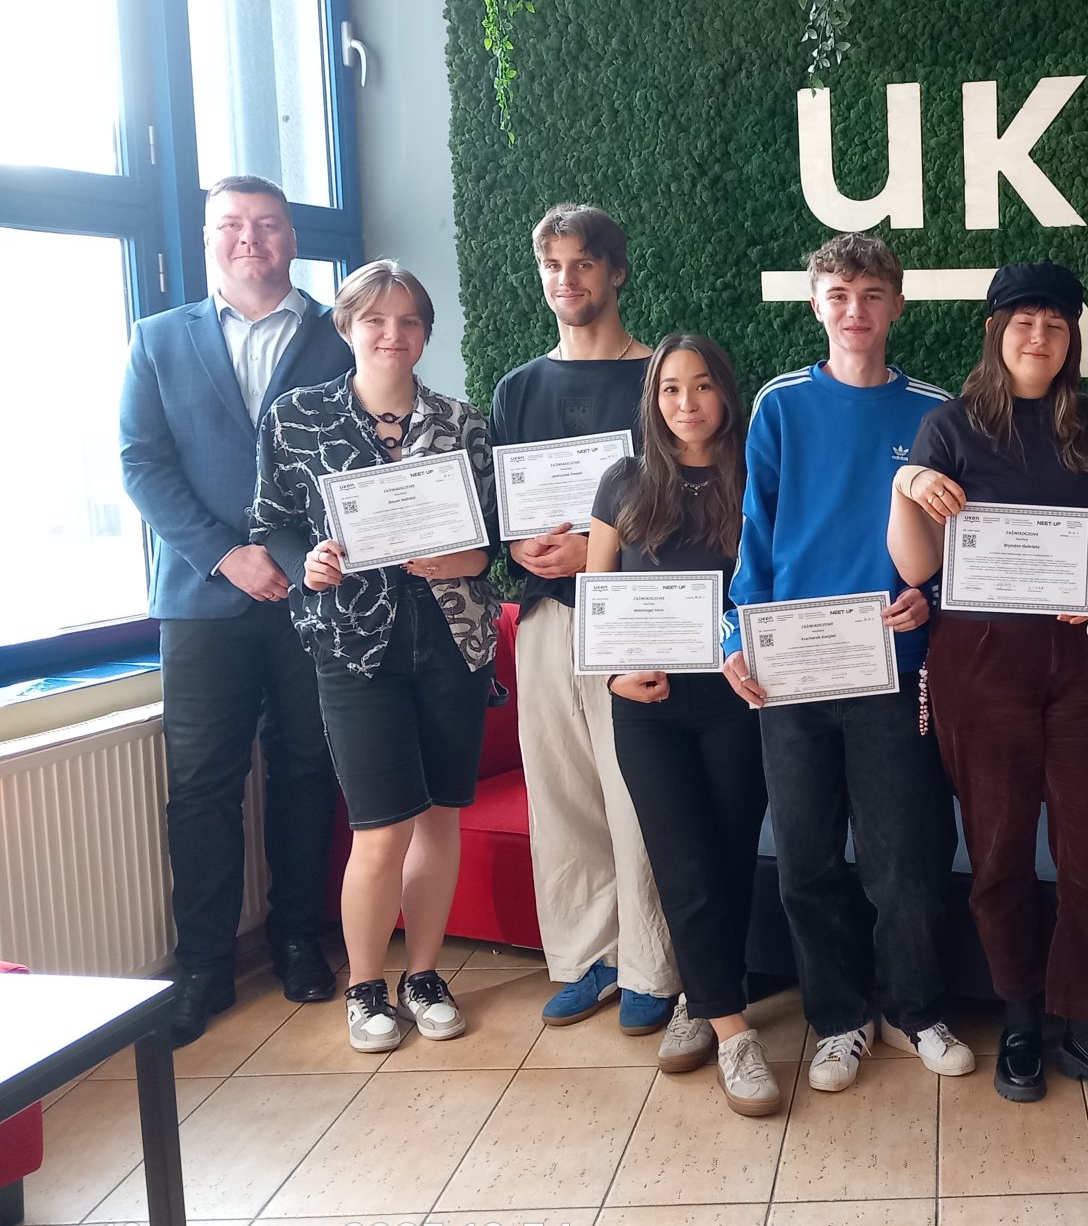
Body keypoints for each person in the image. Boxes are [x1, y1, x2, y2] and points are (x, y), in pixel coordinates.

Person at [887, 263, 1088, 1111]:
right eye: (1023, 321)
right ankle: (1022, 1020)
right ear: (995, 331)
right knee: (998, 855)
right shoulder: (949, 428)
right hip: (978, 667)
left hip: (1082, 670)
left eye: (1056, 324)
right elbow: (915, 567)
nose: (1039, 336)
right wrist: (906, 485)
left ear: (1073, 338)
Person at [722, 232, 972, 1092]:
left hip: (895, 666)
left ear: (896, 304)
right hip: (791, 672)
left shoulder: (936, 412)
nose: (854, 311)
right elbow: (754, 538)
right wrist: (736, 638)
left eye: (870, 295)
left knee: (907, 856)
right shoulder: (780, 405)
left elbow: (962, 543)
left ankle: (913, 1010)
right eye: (838, 295)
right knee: (807, 860)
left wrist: (932, 601)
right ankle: (839, 1019)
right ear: (815, 305)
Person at [118, 175, 350, 1046]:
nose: (249, 238)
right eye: (231, 225)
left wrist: (290, 558)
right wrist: (225, 554)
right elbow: (142, 463)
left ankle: (296, 939)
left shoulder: (339, 333)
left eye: (267, 224)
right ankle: (204, 967)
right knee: (201, 786)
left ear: (292, 237)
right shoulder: (157, 339)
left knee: (306, 767)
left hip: (311, 592)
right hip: (202, 599)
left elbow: (365, 459)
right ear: (208, 235)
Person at [249, 261, 499, 1053]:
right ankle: (365, 989)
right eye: (376, 320)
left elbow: (490, 545)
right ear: (347, 328)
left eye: (409, 321)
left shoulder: (462, 422)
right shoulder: (297, 417)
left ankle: (424, 975)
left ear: (425, 333)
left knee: (440, 820)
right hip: (354, 649)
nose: (393, 334)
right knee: (382, 829)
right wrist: (306, 566)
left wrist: (458, 559)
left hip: (454, 640)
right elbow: (273, 522)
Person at [490, 204, 680, 1034]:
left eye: (583, 264)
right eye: (553, 266)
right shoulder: (518, 388)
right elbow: (503, 510)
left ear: (616, 272)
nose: (566, 280)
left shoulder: (659, 378)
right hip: (543, 619)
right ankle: (587, 957)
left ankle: (651, 966)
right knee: (561, 793)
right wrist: (522, 548)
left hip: (633, 612)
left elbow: (685, 497)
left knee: (639, 793)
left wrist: (598, 551)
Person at [588, 334, 780, 1116]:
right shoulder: (624, 482)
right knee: (683, 863)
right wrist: (612, 673)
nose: (687, 403)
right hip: (649, 710)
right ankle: (734, 1035)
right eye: (670, 388)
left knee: (728, 859)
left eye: (701, 386)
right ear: (653, 399)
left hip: (739, 702)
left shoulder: (758, 474)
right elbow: (596, 597)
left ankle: (702, 999)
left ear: (725, 392)